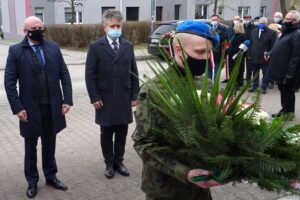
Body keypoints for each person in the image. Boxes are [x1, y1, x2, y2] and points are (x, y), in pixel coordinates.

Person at [132, 20, 222, 200]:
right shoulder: (154, 90)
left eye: (209, 53)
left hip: (200, 190)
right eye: (200, 52)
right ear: (179, 50)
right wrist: (185, 172)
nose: (205, 58)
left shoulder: (208, 86)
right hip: (166, 189)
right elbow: (144, 143)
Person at [4, 16, 72, 198]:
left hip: (52, 107)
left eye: (41, 27)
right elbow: (9, 83)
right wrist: (18, 108)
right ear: (26, 31)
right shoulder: (16, 51)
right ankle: (32, 181)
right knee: (30, 146)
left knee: (50, 144)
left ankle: (51, 176)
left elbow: (64, 75)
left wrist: (67, 100)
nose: (39, 30)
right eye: (34, 28)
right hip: (29, 109)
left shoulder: (53, 48)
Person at [85, 9, 139, 179]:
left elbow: (134, 72)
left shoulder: (128, 46)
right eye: (112, 26)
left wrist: (134, 95)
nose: (116, 28)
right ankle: (109, 163)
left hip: (123, 97)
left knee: (122, 133)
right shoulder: (95, 47)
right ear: (105, 28)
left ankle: (119, 161)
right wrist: (95, 97)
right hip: (105, 99)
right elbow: (90, 75)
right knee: (106, 133)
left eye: (118, 25)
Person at [268, 10, 300, 118]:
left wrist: (290, 73)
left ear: (294, 21)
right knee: (283, 91)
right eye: (285, 18)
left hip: (287, 70)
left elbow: (296, 56)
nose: (284, 21)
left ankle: (289, 113)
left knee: (288, 92)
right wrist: (270, 53)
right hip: (279, 69)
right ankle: (284, 110)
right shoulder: (285, 31)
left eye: (287, 19)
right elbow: (278, 45)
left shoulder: (296, 34)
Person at [248, 17, 276, 94]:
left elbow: (273, 46)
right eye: (260, 23)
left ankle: (264, 87)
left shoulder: (272, 32)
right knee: (255, 73)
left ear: (266, 23)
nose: (261, 24)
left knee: (265, 74)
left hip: (265, 58)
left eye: (263, 23)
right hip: (255, 56)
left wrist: (269, 55)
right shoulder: (253, 32)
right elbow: (250, 44)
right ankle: (254, 86)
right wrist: (249, 54)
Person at [208, 14, 229, 80]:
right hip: (209, 51)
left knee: (216, 68)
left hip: (218, 51)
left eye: (215, 20)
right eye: (213, 20)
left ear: (218, 20)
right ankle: (209, 83)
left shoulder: (223, 28)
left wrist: (215, 37)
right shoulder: (208, 27)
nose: (214, 21)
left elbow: (225, 37)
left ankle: (215, 84)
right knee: (209, 69)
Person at [267, 11, 284, 89]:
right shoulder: (271, 25)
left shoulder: (283, 25)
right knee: (271, 65)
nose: (275, 18)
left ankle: (279, 80)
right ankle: (271, 81)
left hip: (280, 47)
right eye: (275, 16)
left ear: (281, 18)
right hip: (271, 46)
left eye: (277, 16)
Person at [227, 22, 245, 89]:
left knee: (237, 70)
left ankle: (237, 83)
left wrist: (230, 49)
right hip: (232, 55)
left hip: (236, 55)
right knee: (231, 69)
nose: (233, 29)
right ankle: (232, 82)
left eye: (235, 27)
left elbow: (238, 47)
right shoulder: (234, 35)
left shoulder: (241, 36)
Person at [243, 14, 257, 82]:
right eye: (245, 18)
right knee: (240, 64)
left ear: (251, 18)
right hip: (242, 47)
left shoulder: (254, 27)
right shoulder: (241, 26)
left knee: (249, 65)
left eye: (248, 18)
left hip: (250, 48)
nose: (246, 19)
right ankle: (240, 79)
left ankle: (248, 79)